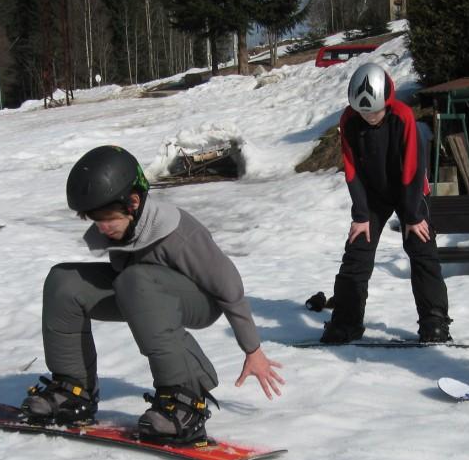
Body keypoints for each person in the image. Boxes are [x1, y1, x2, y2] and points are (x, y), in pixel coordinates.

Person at [21, 145, 284, 443]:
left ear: (133, 202)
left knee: (135, 279)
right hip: (141, 291)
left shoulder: (179, 233)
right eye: (95, 220)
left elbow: (229, 288)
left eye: (108, 219)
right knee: (64, 282)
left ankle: (184, 400)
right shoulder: (122, 229)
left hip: (200, 299)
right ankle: (72, 391)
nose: (102, 228)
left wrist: (253, 350)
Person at [321, 62, 451, 344]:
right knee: (357, 251)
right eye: (363, 112)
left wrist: (414, 215)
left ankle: (434, 322)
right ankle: (346, 321)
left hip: (411, 191)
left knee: (422, 249)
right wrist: (360, 214)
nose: (369, 117)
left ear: (386, 100)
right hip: (373, 196)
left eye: (375, 112)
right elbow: (351, 168)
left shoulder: (403, 117)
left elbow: (413, 168)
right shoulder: (349, 120)